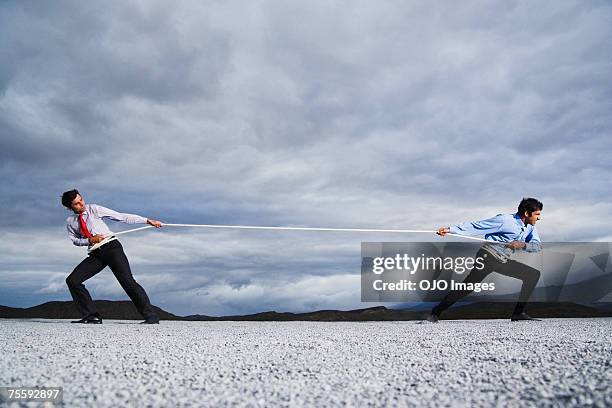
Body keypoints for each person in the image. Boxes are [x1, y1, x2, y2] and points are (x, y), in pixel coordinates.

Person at [427, 198, 543, 322]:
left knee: (533, 274)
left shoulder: (530, 228)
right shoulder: (505, 220)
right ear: (526, 213)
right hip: (487, 256)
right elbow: (477, 226)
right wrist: (450, 230)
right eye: (537, 214)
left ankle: (518, 314)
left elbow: (537, 246)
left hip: (502, 260)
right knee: (468, 287)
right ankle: (435, 313)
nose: (539, 218)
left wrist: (523, 245)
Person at [61, 189, 163, 324]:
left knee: (128, 282)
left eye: (81, 200)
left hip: (111, 248)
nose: (82, 204)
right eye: (76, 204)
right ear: (69, 207)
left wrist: (147, 221)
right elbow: (75, 241)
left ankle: (151, 317)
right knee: (73, 281)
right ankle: (92, 316)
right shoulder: (71, 221)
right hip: (96, 254)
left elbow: (121, 217)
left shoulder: (94, 209)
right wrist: (90, 240)